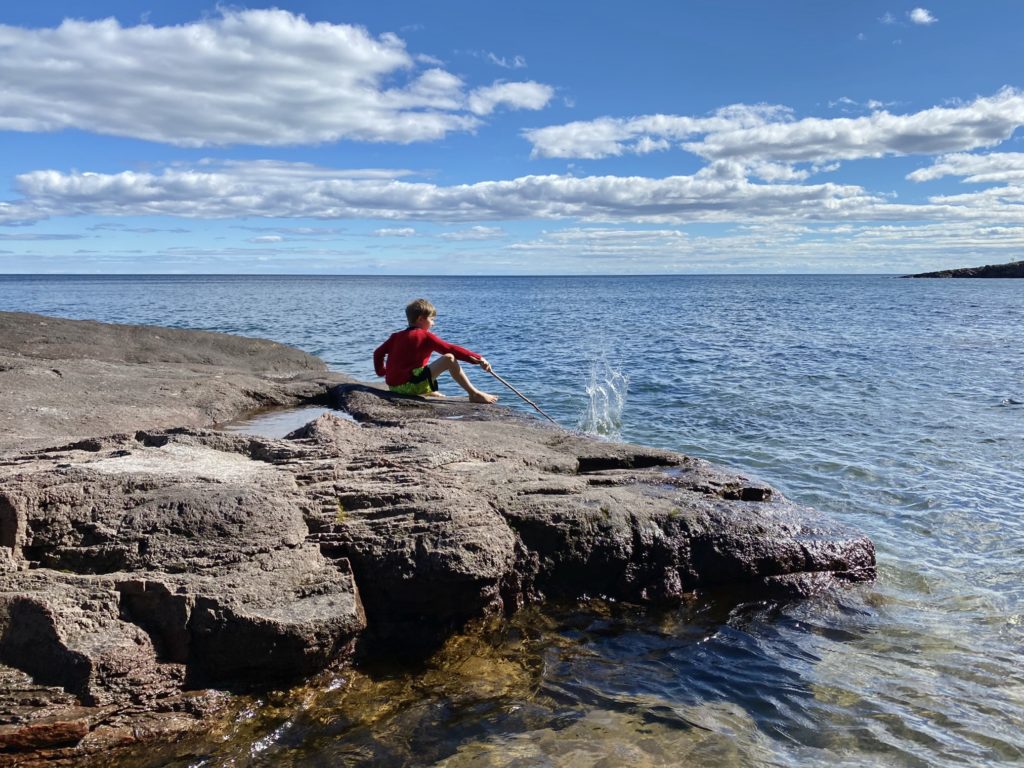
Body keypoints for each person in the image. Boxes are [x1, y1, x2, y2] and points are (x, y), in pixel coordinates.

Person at [373, 298, 499, 404]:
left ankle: (428, 390)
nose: (433, 324)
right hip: (409, 387)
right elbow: (450, 349)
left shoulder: (395, 336)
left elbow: (378, 353)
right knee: (449, 358)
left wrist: (382, 372)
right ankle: (474, 393)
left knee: (419, 367)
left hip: (393, 387)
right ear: (421, 319)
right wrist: (479, 359)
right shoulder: (425, 336)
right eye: (431, 319)